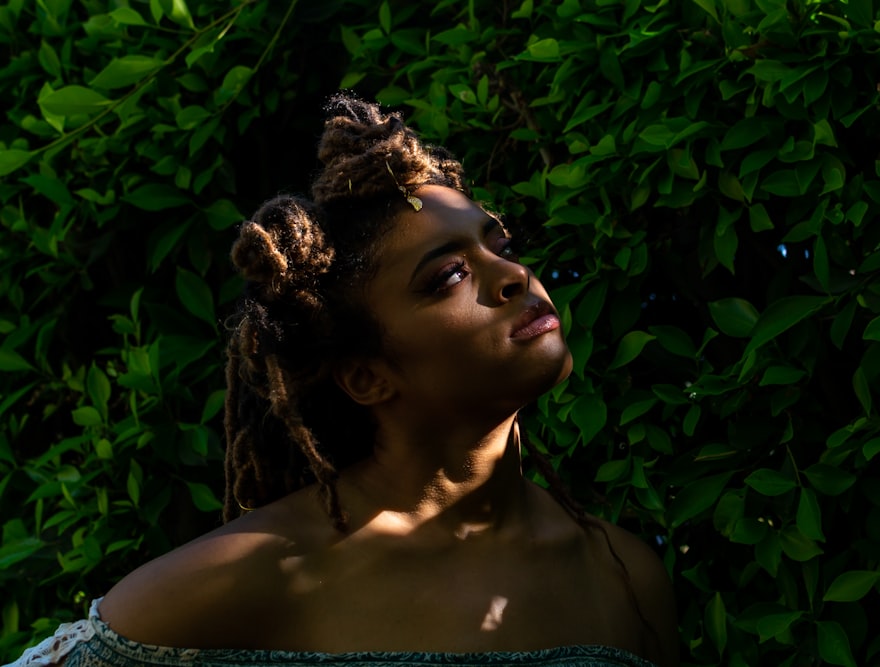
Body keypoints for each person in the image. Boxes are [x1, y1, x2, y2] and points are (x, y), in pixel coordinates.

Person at [8, 95, 677, 667]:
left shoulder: (622, 576)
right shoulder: (259, 572)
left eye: (499, 245)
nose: (512, 278)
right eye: (447, 276)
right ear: (366, 375)